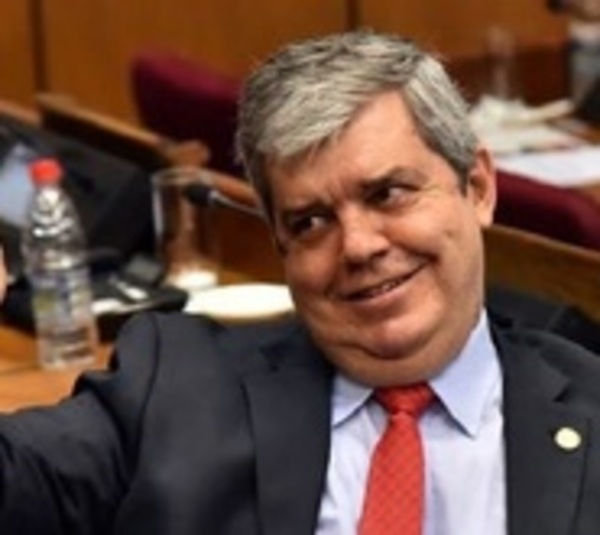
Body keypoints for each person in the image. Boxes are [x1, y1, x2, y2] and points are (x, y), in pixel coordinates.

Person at [1, 30, 600, 535]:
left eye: (388, 194)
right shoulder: (176, 390)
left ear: (478, 188)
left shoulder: (589, 412)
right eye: (311, 222)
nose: (358, 245)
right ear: (280, 245)